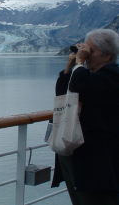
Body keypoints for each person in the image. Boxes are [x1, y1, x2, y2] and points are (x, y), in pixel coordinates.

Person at [51, 28, 119, 205]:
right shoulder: (90, 76)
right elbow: (62, 95)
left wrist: (80, 63)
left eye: (91, 51)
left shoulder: (112, 77)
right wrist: (70, 67)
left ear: (107, 55)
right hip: (81, 154)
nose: (86, 54)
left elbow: (79, 87)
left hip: (100, 162)